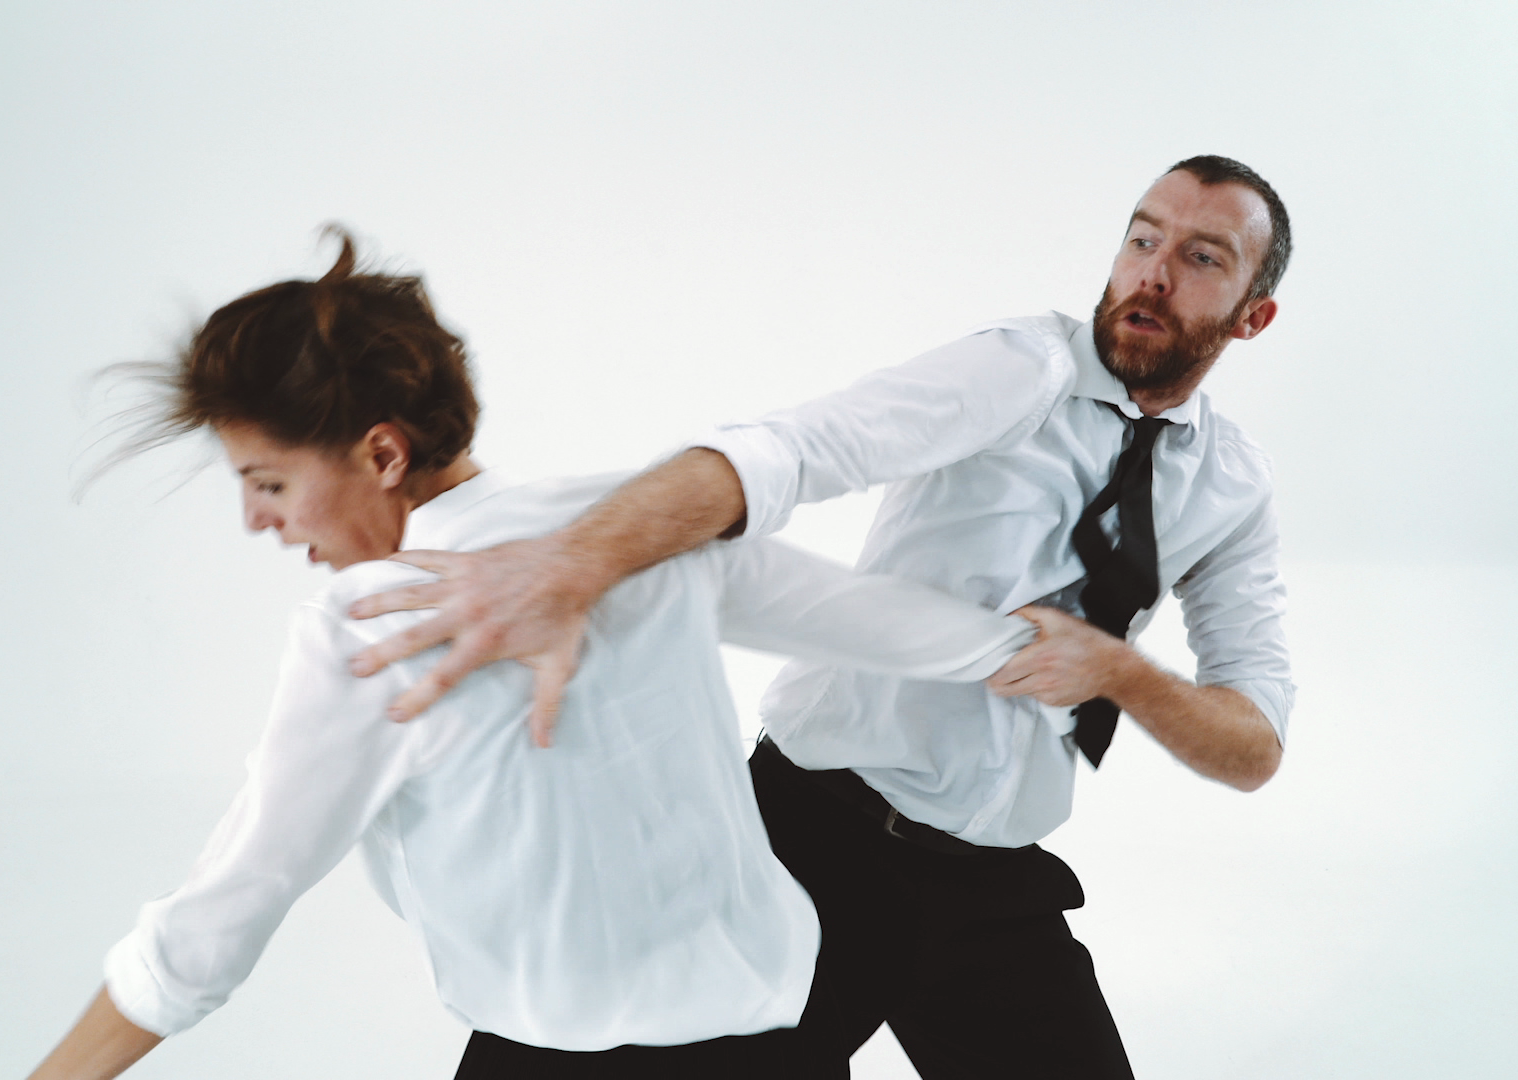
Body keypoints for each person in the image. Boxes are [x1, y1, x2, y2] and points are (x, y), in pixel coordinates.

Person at [345, 155, 1297, 1076]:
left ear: (1253, 316)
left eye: (1201, 258)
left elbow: (1252, 744)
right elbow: (791, 453)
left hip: (993, 883)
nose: (1154, 275)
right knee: (594, 1048)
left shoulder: (1233, 487)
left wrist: (1117, 672)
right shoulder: (1022, 370)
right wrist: (570, 563)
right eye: (1142, 238)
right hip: (814, 839)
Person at [25, 231, 1044, 1080]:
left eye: (269, 482)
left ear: (381, 453)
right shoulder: (643, 525)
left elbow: (214, 928)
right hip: (777, 1042)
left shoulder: (371, 627)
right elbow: (865, 618)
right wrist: (1037, 651)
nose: (255, 518)